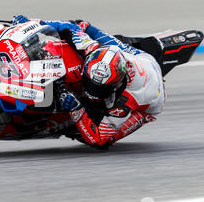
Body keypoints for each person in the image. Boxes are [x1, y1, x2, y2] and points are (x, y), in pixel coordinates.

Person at [13, 15, 166, 150]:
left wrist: (76, 108)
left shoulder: (128, 101)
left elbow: (100, 138)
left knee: (103, 139)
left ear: (115, 86)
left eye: (99, 89)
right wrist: (31, 23)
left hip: (150, 100)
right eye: (90, 83)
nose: (91, 92)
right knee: (82, 25)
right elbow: (69, 27)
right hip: (134, 56)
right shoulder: (92, 48)